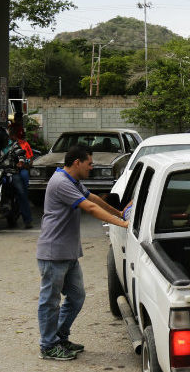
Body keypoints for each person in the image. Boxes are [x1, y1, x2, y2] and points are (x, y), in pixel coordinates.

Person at [36, 144, 129, 360]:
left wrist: (120, 213)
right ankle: (48, 345)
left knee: (76, 296)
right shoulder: (61, 183)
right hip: (53, 253)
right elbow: (90, 208)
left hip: (67, 253)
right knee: (50, 301)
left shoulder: (72, 180)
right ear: (77, 162)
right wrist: (121, 224)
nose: (92, 167)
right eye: (89, 163)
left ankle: (59, 337)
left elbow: (94, 199)